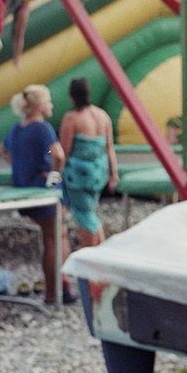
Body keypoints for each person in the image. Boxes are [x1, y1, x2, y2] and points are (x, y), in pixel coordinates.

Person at [1, 84, 70, 304]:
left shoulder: (17, 128)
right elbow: (57, 154)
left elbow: (3, 150)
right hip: (43, 189)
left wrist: (21, 167)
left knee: (54, 235)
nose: (52, 105)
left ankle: (62, 284)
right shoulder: (43, 129)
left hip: (25, 188)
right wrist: (54, 176)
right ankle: (54, 291)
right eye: (49, 101)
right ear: (40, 106)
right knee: (54, 237)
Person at [57, 77, 117, 248]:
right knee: (91, 215)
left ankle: (91, 263)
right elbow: (110, 148)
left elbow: (64, 151)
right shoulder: (102, 115)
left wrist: (55, 174)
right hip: (99, 173)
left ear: (71, 97)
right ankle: (100, 259)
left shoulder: (71, 118)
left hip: (79, 176)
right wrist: (114, 173)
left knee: (84, 217)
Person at [6, 0, 44, 69]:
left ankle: (16, 60)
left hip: (23, 6)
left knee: (19, 32)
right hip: (13, 3)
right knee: (1, 16)